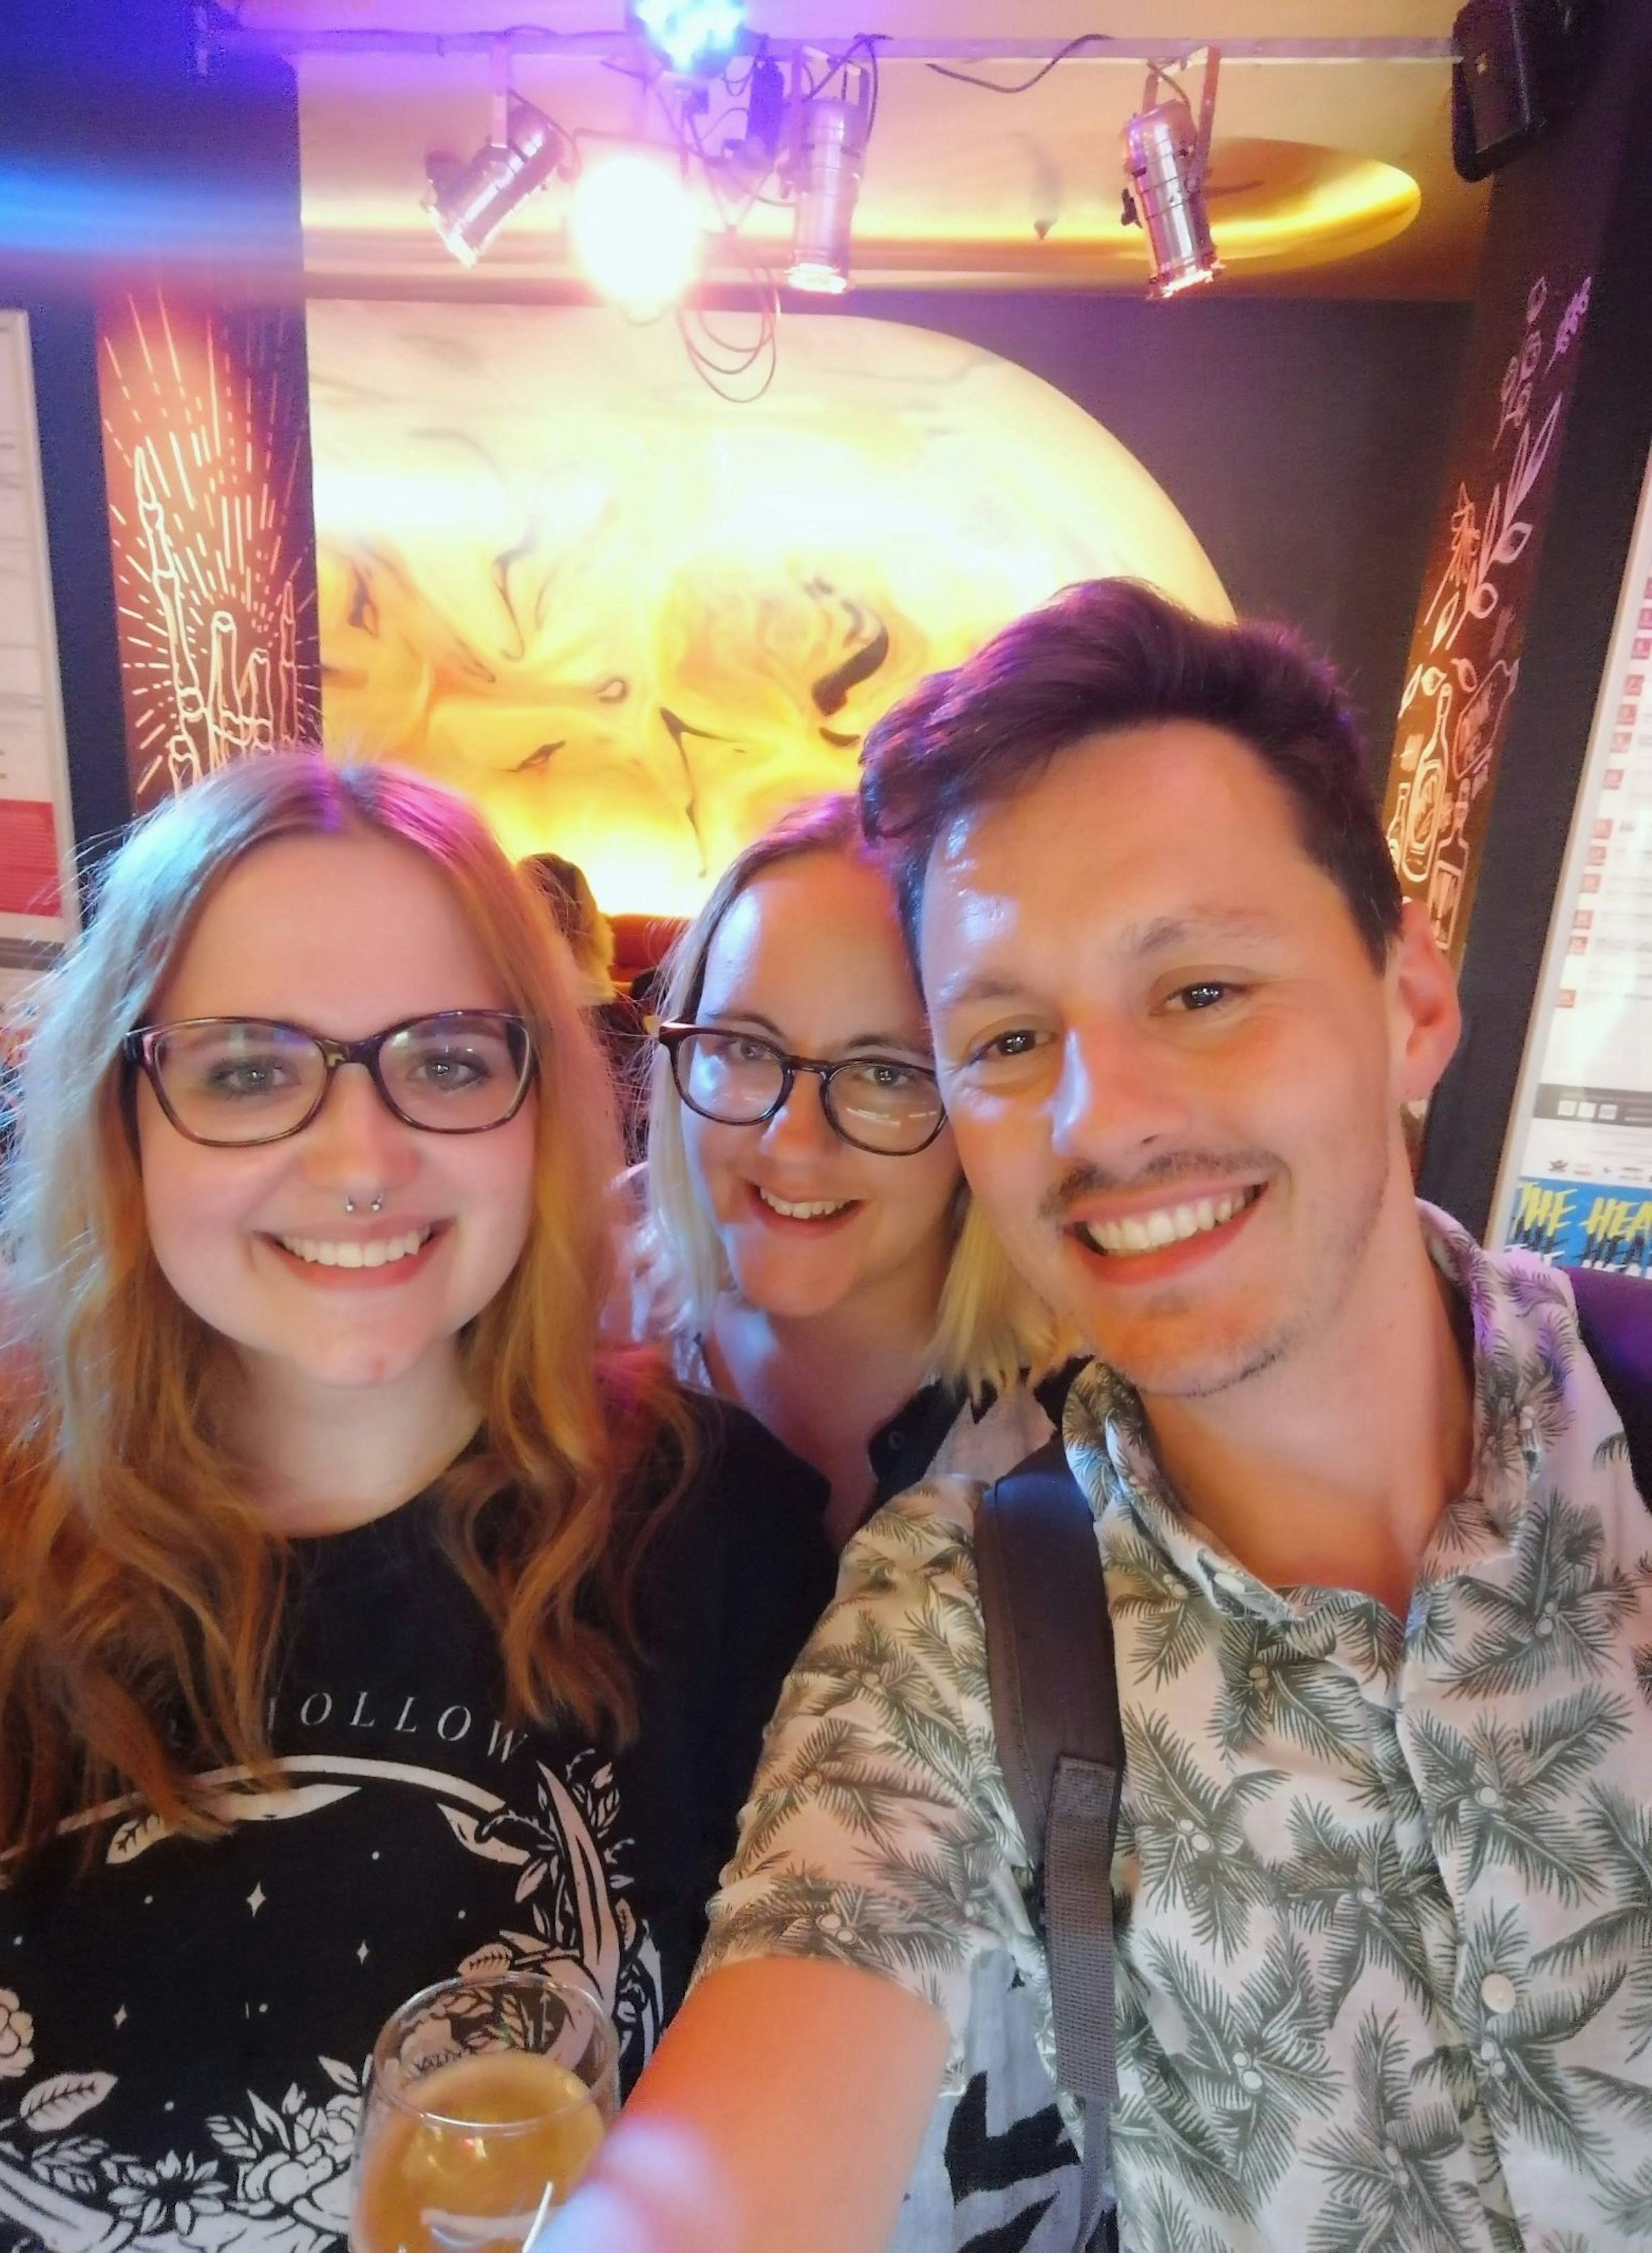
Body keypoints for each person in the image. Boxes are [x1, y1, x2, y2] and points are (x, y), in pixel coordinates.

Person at [542, 581, 1652, 2253]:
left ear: (1413, 999)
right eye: (1003, 1035)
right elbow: (725, 2159)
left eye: (1201, 988)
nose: (1100, 1115)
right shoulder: (953, 1630)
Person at [0, 753, 832, 2253]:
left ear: (537, 1095)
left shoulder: (720, 1536)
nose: (360, 1160)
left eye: (441, 1059)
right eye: (247, 1066)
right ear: (127, 1115)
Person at [637, 791, 1082, 2246]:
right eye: (745, 1049)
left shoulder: (1095, 1433)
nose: (791, 1135)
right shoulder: (567, 1335)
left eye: (885, 1072)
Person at [520, 849, 651, 1159]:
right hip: (613, 1030)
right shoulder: (589, 939)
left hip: (571, 1034)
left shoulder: (544, 947)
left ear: (542, 898)